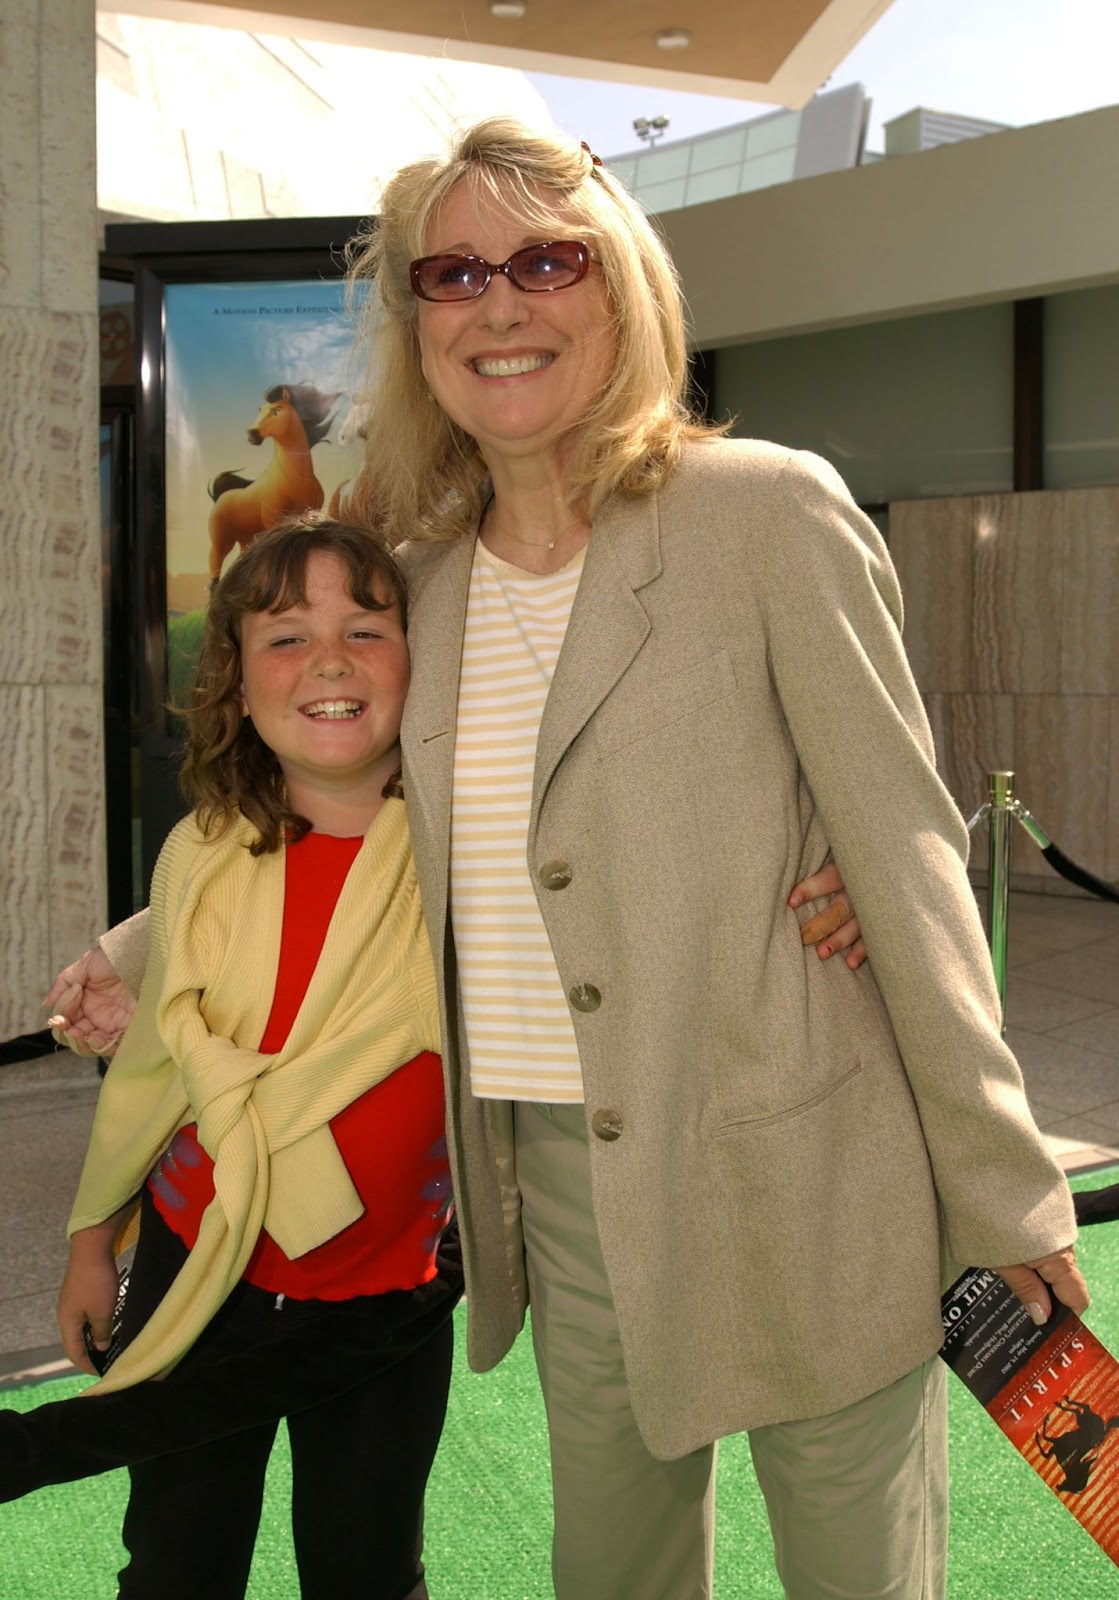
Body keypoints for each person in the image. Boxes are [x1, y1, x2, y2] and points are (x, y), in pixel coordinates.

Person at [47, 119, 1087, 1600]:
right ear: (417, 327)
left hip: (807, 1159)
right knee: (614, 1575)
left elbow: (906, 852)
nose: (500, 303)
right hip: (567, 1187)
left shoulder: (768, 513)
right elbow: (329, 814)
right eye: (454, 273)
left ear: (624, 291)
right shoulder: (419, 579)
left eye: (547, 259)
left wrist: (1004, 1190)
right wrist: (137, 950)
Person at [14, 516, 460, 1600]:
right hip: (195, 1263)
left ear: (424, 660)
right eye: (286, 638)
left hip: (384, 1289)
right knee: (176, 1554)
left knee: (365, 1565)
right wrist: (91, 1242)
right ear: (240, 683)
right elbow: (155, 1073)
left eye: (367, 627)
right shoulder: (203, 855)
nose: (331, 661)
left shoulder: (472, 859)